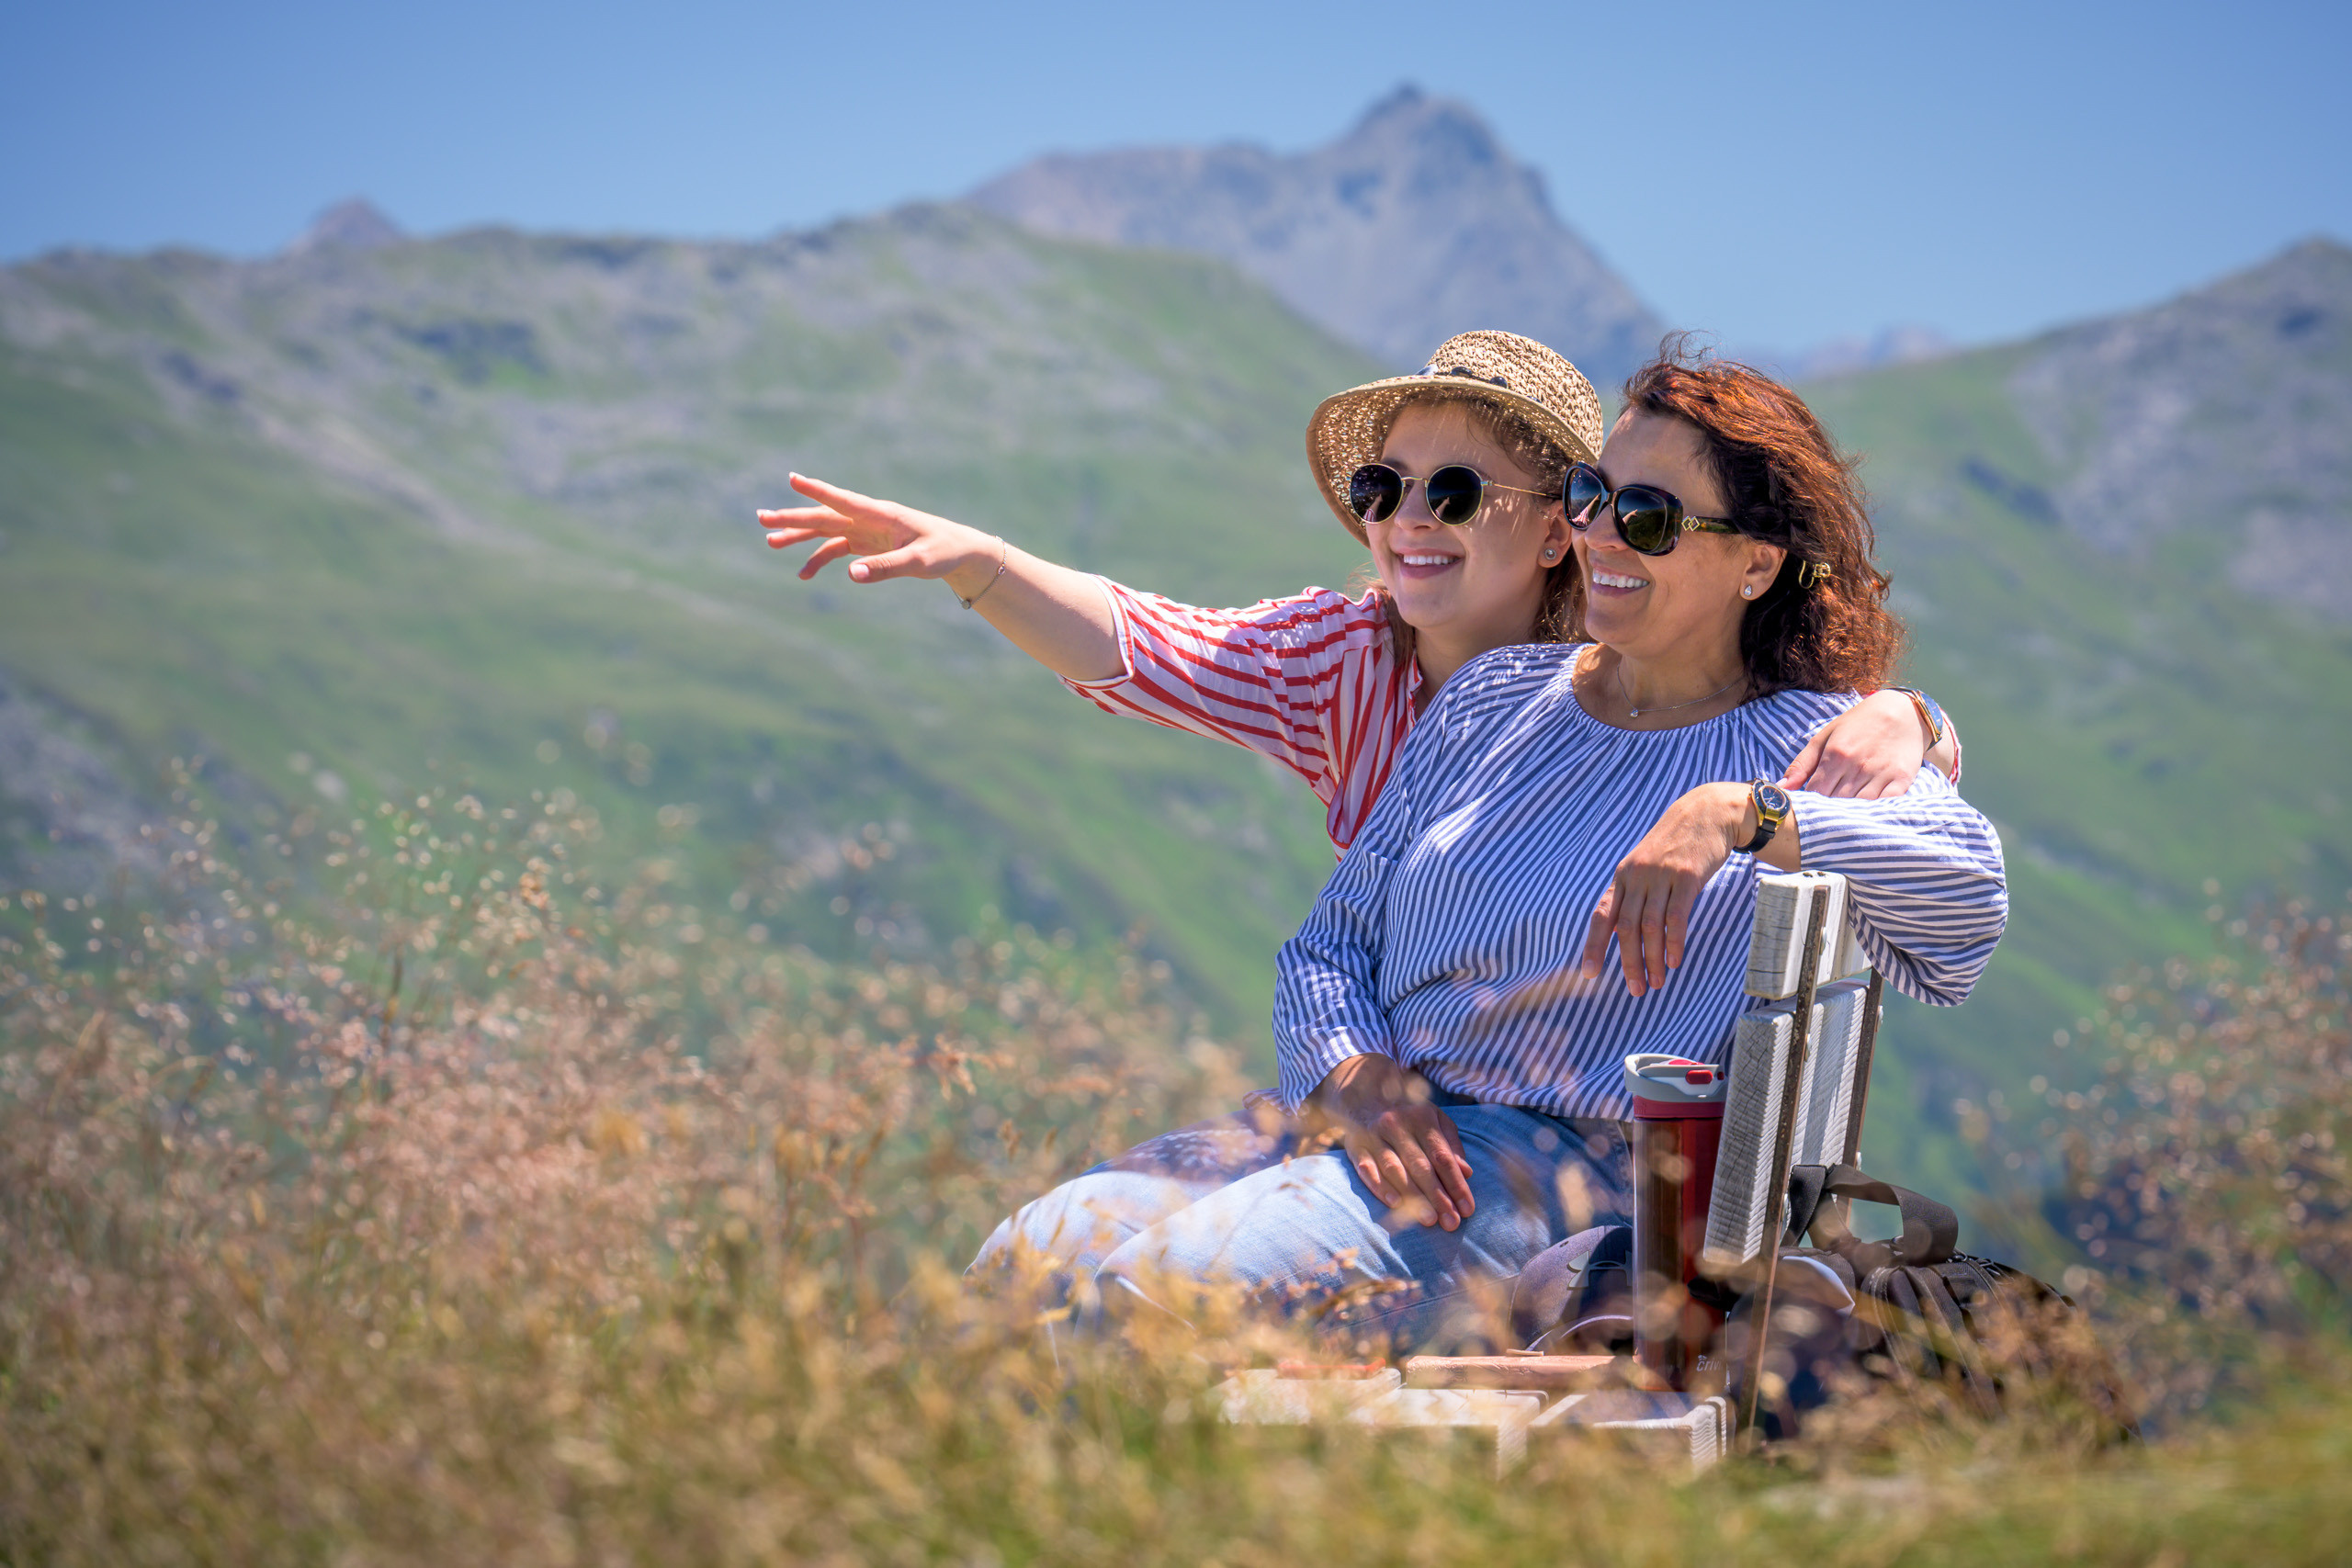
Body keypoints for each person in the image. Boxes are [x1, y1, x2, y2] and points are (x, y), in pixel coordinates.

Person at [763, 332, 1960, 1284]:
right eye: (1384, 488)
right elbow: (1314, 913)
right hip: (1371, 1115)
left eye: (1637, 517)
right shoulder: (1424, 678)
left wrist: (1760, 804)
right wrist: (1349, 1071)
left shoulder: (1799, 738)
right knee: (1016, 1270)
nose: (1408, 517)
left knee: (1142, 1302)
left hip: (1556, 1172)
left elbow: (1959, 899)